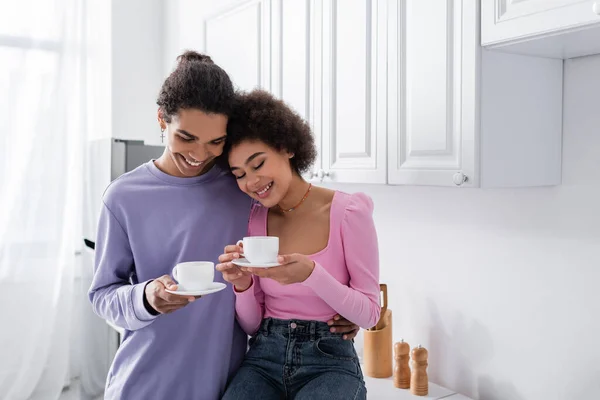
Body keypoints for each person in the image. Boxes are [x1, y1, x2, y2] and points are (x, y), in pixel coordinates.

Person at [88, 51, 358, 400]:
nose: (200, 154)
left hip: (228, 384)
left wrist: (346, 312)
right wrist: (145, 297)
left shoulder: (244, 187)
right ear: (161, 119)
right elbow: (102, 294)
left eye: (215, 142)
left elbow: (312, 231)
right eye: (186, 137)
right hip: (144, 384)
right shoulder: (123, 196)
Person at [217, 90, 381, 400]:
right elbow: (253, 325)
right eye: (239, 174)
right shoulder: (255, 219)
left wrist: (312, 275)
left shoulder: (348, 212)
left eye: (258, 164)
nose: (251, 182)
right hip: (264, 356)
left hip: (329, 361)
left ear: (287, 147)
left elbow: (370, 314)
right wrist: (242, 284)